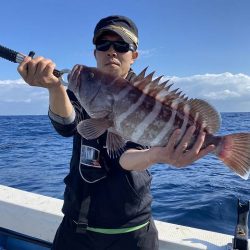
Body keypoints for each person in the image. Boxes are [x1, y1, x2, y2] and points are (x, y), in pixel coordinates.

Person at [17, 15, 215, 250]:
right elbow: (68, 125)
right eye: (103, 45)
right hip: (77, 229)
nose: (111, 51)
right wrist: (54, 87)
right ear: (95, 54)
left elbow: (126, 156)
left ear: (134, 56)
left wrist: (158, 155)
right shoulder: (83, 87)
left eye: (121, 46)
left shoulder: (147, 98)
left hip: (133, 233)